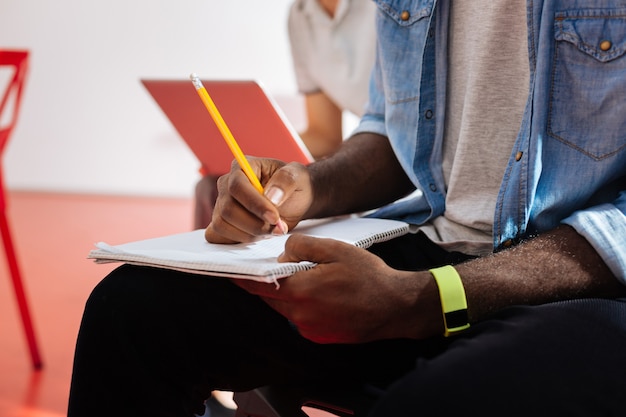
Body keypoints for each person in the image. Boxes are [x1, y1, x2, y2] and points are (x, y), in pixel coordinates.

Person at [68, 0, 626, 416]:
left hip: (589, 286)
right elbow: (391, 129)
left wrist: (423, 300)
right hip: (437, 250)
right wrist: (312, 184)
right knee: (130, 310)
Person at [193, 0, 376, 229]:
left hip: (398, 158)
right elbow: (325, 135)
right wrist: (247, 155)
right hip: (371, 148)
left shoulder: (385, 8)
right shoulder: (300, 15)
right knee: (214, 185)